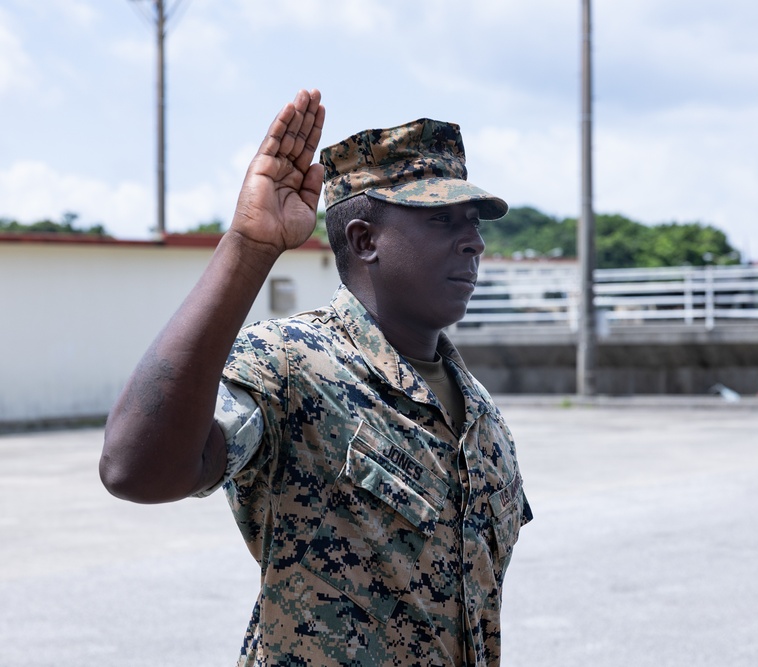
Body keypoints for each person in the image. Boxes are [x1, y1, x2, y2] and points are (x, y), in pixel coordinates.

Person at [100, 89, 531, 667]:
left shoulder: (479, 414)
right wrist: (249, 249)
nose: (473, 241)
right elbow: (136, 470)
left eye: (473, 221)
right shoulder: (292, 365)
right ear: (364, 239)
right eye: (441, 218)